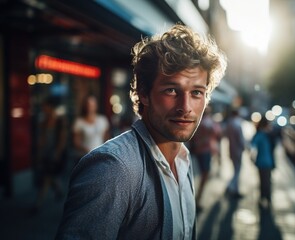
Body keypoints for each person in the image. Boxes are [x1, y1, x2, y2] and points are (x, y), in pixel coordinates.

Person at [55, 24, 227, 240]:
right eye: (171, 90)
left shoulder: (183, 158)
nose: (185, 107)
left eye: (196, 92)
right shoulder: (112, 169)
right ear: (143, 94)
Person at [33, 96, 67, 213]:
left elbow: (62, 139)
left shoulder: (59, 121)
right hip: (46, 153)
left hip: (55, 154)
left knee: (46, 178)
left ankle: (38, 204)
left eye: (45, 106)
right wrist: (39, 153)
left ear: (50, 107)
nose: (43, 108)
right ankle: (59, 190)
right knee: (51, 176)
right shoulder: (43, 122)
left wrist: (57, 153)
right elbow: (41, 140)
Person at [190, 106, 222, 209]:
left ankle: (195, 198)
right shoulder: (208, 122)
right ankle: (197, 199)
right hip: (205, 151)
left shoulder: (196, 121)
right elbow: (217, 133)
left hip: (197, 151)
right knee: (204, 175)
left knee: (196, 175)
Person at [73, 94, 110, 159]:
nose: (90, 107)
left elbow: (107, 139)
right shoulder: (79, 122)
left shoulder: (102, 120)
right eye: (88, 104)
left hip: (101, 155)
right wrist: (86, 150)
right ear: (85, 105)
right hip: (85, 156)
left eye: (92, 104)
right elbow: (76, 142)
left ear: (96, 105)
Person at [250, 117, 276, 208]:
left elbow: (252, 146)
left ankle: (264, 198)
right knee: (267, 182)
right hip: (267, 162)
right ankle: (266, 199)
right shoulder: (267, 135)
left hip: (261, 162)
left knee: (263, 182)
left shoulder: (260, 135)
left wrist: (252, 158)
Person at [225, 109, 246, 198]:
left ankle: (235, 189)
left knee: (236, 169)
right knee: (237, 170)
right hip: (237, 150)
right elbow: (240, 139)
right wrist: (244, 147)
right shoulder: (237, 124)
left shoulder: (229, 124)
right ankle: (231, 186)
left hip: (231, 148)